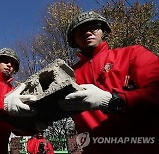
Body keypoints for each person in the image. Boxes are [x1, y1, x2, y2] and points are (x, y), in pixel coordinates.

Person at [59, 11, 159, 154]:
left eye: (94, 27)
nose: (87, 32)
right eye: (80, 31)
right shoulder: (68, 76)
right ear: (73, 40)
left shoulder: (133, 54)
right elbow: (43, 115)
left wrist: (113, 100)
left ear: (103, 31)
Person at [0, 48, 38, 154]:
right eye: (5, 61)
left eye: (13, 64)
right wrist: (3, 103)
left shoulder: (15, 93)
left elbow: (16, 128)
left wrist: (34, 128)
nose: (9, 65)